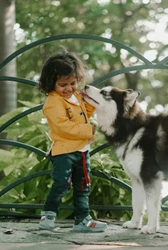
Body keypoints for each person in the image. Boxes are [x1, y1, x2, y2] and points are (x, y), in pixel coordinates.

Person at [36, 49, 107, 232]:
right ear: (51, 84)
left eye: (73, 83)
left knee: (83, 186)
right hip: (64, 152)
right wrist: (88, 130)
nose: (69, 88)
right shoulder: (53, 102)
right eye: (63, 84)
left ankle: (82, 219)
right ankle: (48, 214)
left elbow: (82, 115)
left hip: (82, 151)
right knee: (62, 183)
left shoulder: (75, 96)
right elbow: (63, 126)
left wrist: (91, 102)